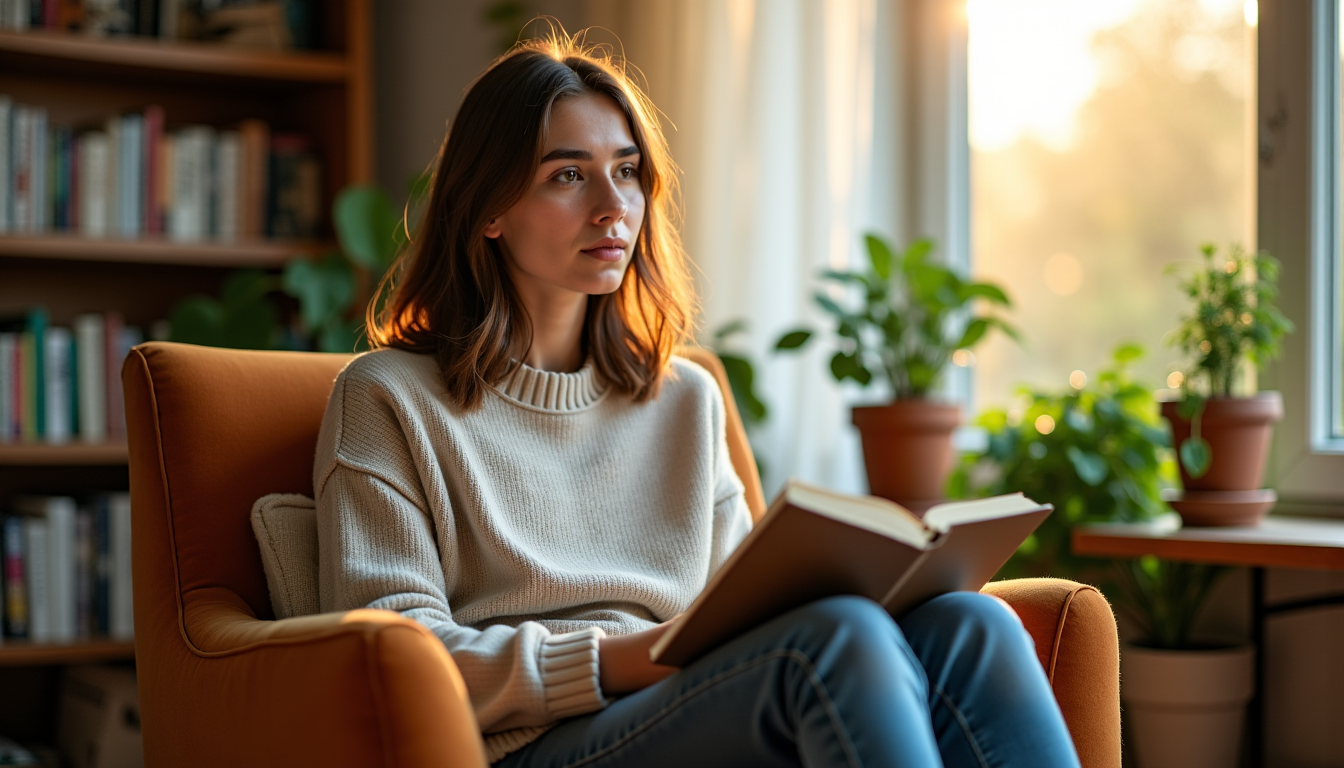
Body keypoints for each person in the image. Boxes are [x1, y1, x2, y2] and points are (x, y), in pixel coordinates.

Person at [314, 32, 1082, 768]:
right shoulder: (389, 398)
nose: (612, 206)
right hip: (537, 745)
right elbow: (395, 651)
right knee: (834, 639)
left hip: (687, 706)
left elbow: (744, 604)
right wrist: (623, 657)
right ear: (488, 209)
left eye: (627, 171)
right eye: (567, 175)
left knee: (970, 622)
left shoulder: (684, 397)